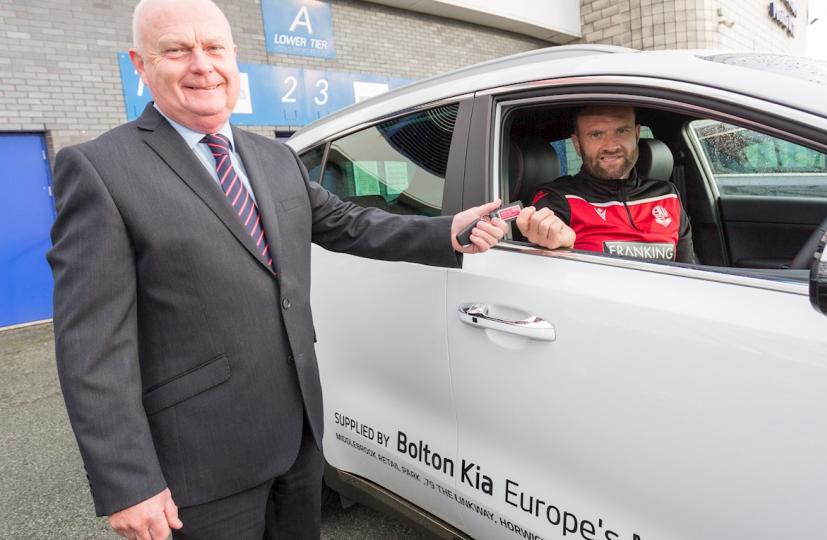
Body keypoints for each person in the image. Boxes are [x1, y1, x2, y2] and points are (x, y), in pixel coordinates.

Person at [46, 1, 507, 538]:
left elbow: (348, 223)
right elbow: (92, 345)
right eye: (177, 50)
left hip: (297, 439)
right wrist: (129, 482)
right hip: (199, 466)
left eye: (214, 48)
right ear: (140, 64)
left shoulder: (275, 157)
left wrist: (447, 231)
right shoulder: (101, 169)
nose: (202, 65)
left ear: (233, 57)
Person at [516, 105, 696, 263]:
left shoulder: (667, 196)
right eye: (596, 134)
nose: (610, 146)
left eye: (622, 131)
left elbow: (689, 273)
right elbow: (540, 274)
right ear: (577, 144)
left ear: (636, 134)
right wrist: (559, 248)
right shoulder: (557, 199)